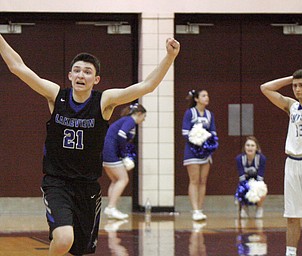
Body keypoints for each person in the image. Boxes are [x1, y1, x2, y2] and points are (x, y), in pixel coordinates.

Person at [0, 33, 180, 256]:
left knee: (79, 249)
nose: (80, 75)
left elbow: (147, 86)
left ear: (96, 80)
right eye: (76, 70)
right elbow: (18, 66)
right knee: (64, 238)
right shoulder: (57, 96)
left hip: (87, 187)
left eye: (87, 72)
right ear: (69, 76)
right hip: (57, 183)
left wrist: (169, 57)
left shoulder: (104, 101)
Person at [260, 69, 302, 256]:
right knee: (292, 215)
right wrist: (291, 79)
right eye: (295, 86)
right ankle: (290, 253)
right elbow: (265, 88)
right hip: (292, 163)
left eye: (301, 85)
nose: (297, 89)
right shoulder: (291, 105)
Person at [102, 103, 146, 220]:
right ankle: (111, 207)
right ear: (139, 114)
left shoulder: (126, 120)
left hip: (107, 150)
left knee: (115, 180)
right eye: (144, 117)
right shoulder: (130, 120)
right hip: (110, 151)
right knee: (123, 179)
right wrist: (125, 155)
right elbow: (121, 135)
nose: (143, 120)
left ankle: (111, 208)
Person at [182, 89, 219, 221]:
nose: (206, 98)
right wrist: (197, 142)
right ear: (196, 99)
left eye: (207, 95)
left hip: (205, 152)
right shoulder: (190, 113)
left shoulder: (210, 115)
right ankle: (195, 210)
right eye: (203, 95)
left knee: (203, 181)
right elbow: (185, 132)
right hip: (192, 151)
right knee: (194, 180)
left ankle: (200, 209)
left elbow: (213, 132)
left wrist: (208, 143)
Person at [235, 136, 267, 219]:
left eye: (252, 145)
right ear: (244, 147)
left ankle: (259, 208)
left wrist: (255, 188)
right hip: (245, 182)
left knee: (262, 188)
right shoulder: (239, 159)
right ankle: (244, 207)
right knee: (241, 188)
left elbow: (260, 178)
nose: (250, 148)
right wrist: (247, 188)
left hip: (257, 182)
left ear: (256, 147)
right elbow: (241, 177)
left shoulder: (261, 159)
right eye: (248, 145)